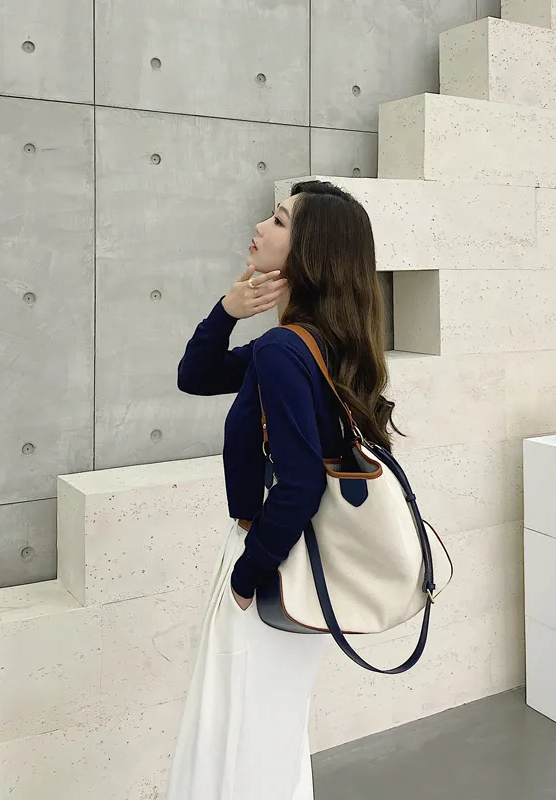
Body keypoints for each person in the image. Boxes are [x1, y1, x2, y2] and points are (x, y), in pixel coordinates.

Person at [166, 180, 401, 800]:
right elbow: (195, 375)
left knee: (238, 731)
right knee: (268, 729)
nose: (259, 227)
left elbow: (299, 485)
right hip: (302, 565)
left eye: (277, 220)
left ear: (308, 253)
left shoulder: (283, 351)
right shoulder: (315, 345)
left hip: (273, 563)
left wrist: (247, 576)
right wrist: (227, 310)